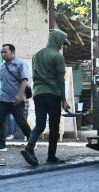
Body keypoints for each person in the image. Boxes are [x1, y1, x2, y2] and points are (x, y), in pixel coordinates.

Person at [21, 30, 71, 166]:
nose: (63, 46)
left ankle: (30, 146)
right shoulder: (58, 57)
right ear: (57, 41)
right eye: (62, 43)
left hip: (38, 94)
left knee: (40, 124)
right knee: (54, 127)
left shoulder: (36, 55)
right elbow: (60, 80)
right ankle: (51, 156)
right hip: (53, 94)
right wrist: (64, 100)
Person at [0, 44, 32, 152]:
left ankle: (32, 141)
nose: (3, 54)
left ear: (13, 52)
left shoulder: (20, 64)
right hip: (3, 98)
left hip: (16, 99)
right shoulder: (3, 66)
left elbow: (24, 80)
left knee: (20, 121)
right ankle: (0, 144)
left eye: (5, 52)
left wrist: (19, 95)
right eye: (2, 52)